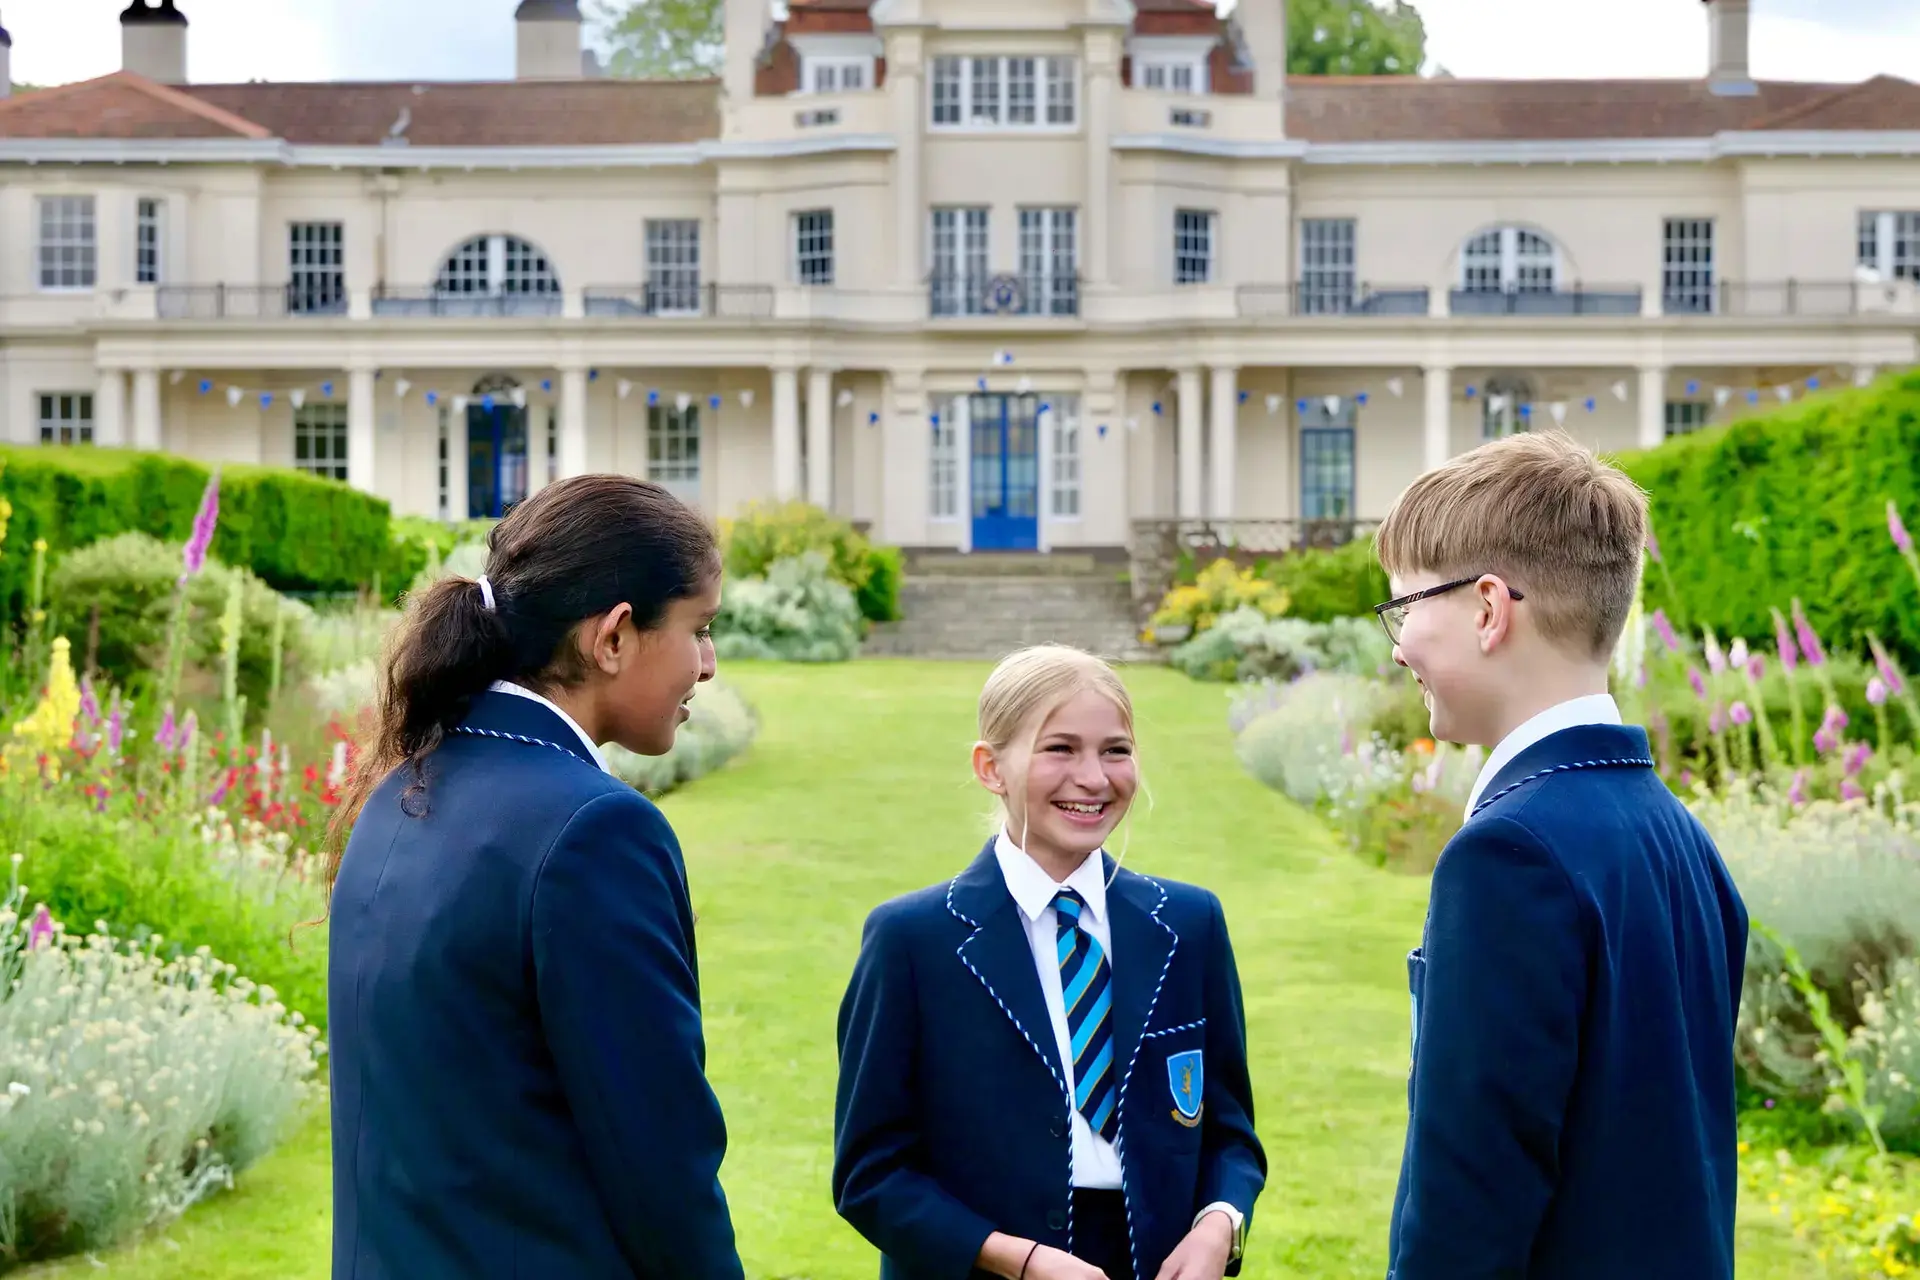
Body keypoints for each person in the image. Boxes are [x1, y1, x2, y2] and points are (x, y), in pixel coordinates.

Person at [323, 475, 744, 1280]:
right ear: (613, 636)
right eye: (700, 628)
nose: (709, 663)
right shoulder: (595, 831)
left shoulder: (400, 790)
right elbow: (660, 1158)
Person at [1373, 431, 1748, 1280]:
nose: (1398, 648)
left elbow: (1467, 1202)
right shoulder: (1680, 836)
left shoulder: (1509, 854)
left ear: (1488, 609)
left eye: (1405, 609)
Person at [833, 645, 1266, 1280]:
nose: (1093, 778)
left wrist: (1219, 1223)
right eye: (1060, 749)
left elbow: (1229, 1131)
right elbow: (871, 1175)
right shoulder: (912, 942)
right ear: (991, 767)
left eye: (1115, 750)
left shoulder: (1189, 925)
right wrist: (1022, 1260)